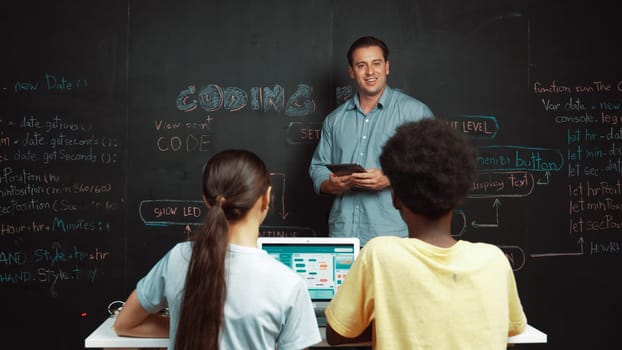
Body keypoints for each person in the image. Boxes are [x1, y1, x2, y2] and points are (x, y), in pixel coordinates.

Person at [324, 119, 527, 349]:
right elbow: (507, 333)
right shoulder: (494, 261)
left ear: (395, 198)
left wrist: (390, 318)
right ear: (460, 192)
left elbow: (336, 334)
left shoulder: (379, 255)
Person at [113, 150, 321, 350]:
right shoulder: (289, 284)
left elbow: (125, 324)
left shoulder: (178, 257)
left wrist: (189, 326)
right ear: (266, 198)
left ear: (206, 199)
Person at [309, 35, 434, 246]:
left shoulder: (415, 113)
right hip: (343, 238)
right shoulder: (334, 120)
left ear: (387, 67)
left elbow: (435, 167)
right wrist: (331, 184)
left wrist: (390, 179)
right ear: (351, 71)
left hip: (393, 237)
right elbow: (318, 167)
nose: (369, 72)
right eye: (361, 65)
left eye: (376, 63)